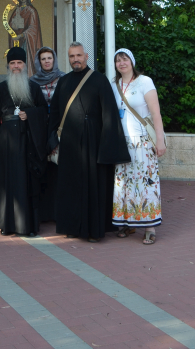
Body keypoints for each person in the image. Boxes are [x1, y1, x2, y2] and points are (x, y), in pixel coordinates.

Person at [49, 43, 130, 242]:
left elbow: (109, 114)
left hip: (93, 141)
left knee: (93, 185)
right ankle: (72, 227)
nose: (75, 59)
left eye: (79, 55)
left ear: (86, 56)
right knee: (70, 185)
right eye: (72, 56)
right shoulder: (64, 81)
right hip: (69, 142)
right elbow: (56, 113)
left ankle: (94, 231)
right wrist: (52, 140)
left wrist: (107, 146)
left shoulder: (99, 79)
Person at [111, 48, 167, 245]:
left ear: (132, 62)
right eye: (118, 60)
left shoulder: (145, 82)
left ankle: (150, 227)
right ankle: (128, 223)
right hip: (122, 142)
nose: (121, 63)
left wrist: (160, 140)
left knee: (145, 183)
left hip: (142, 142)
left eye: (125, 59)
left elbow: (156, 113)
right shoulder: (114, 85)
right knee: (124, 185)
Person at [0, 47, 48, 236]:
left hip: (27, 140)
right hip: (6, 140)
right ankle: (8, 225)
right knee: (8, 182)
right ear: (8, 66)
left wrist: (29, 114)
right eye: (12, 63)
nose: (16, 66)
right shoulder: (0, 88)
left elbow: (43, 111)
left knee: (27, 182)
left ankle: (28, 226)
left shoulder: (33, 87)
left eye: (19, 63)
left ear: (25, 65)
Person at [30, 46, 65, 222]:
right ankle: (45, 213)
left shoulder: (64, 78)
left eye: (49, 58)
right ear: (38, 62)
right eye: (43, 59)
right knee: (43, 169)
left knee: (58, 170)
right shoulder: (32, 81)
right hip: (40, 129)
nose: (46, 61)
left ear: (54, 59)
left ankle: (59, 211)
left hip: (59, 128)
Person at [8, 0, 43, 76]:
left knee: (26, 61)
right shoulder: (16, 10)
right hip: (17, 42)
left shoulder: (31, 11)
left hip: (27, 42)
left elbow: (33, 28)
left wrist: (21, 35)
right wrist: (13, 26)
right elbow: (11, 25)